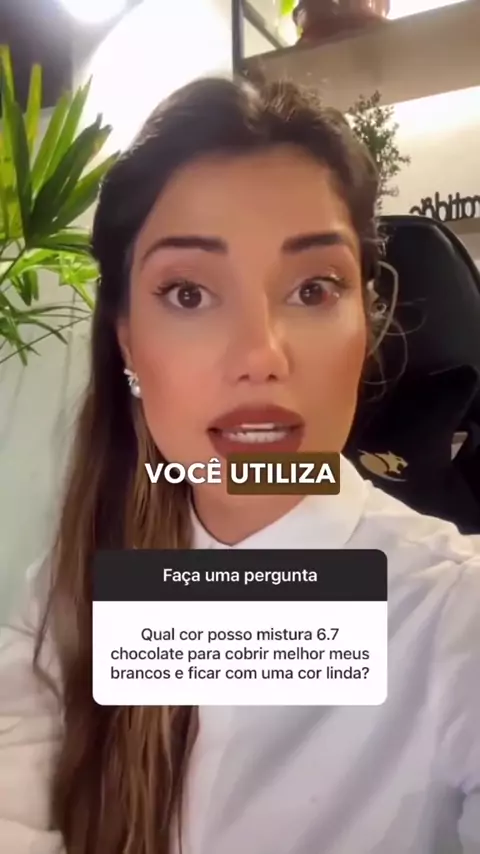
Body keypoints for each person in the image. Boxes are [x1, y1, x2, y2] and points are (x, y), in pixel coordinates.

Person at [0, 76, 479, 854]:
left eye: (313, 289)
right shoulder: (67, 593)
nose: (261, 354)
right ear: (127, 343)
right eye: (189, 294)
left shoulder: (454, 614)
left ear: (366, 321)